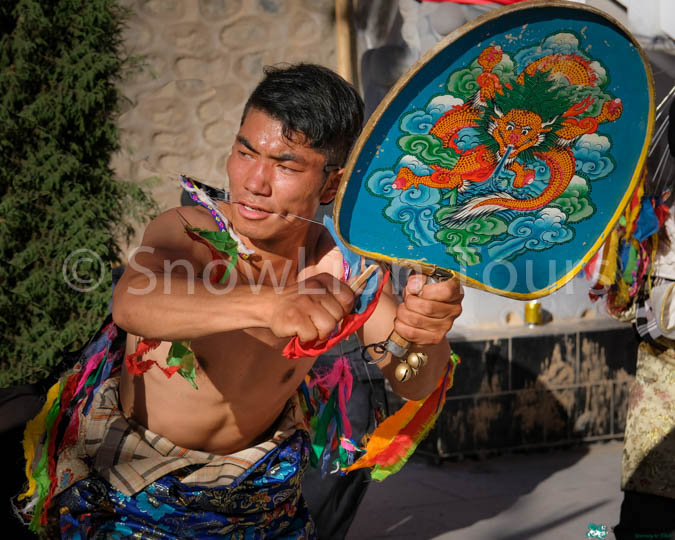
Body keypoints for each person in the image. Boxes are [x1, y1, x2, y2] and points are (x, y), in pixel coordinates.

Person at [17, 63, 463, 537]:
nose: (254, 182)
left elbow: (414, 380)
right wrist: (270, 305)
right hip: (133, 489)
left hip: (261, 499)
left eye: (286, 165)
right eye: (245, 153)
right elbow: (132, 304)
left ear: (331, 185)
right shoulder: (192, 231)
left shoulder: (348, 270)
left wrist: (427, 335)